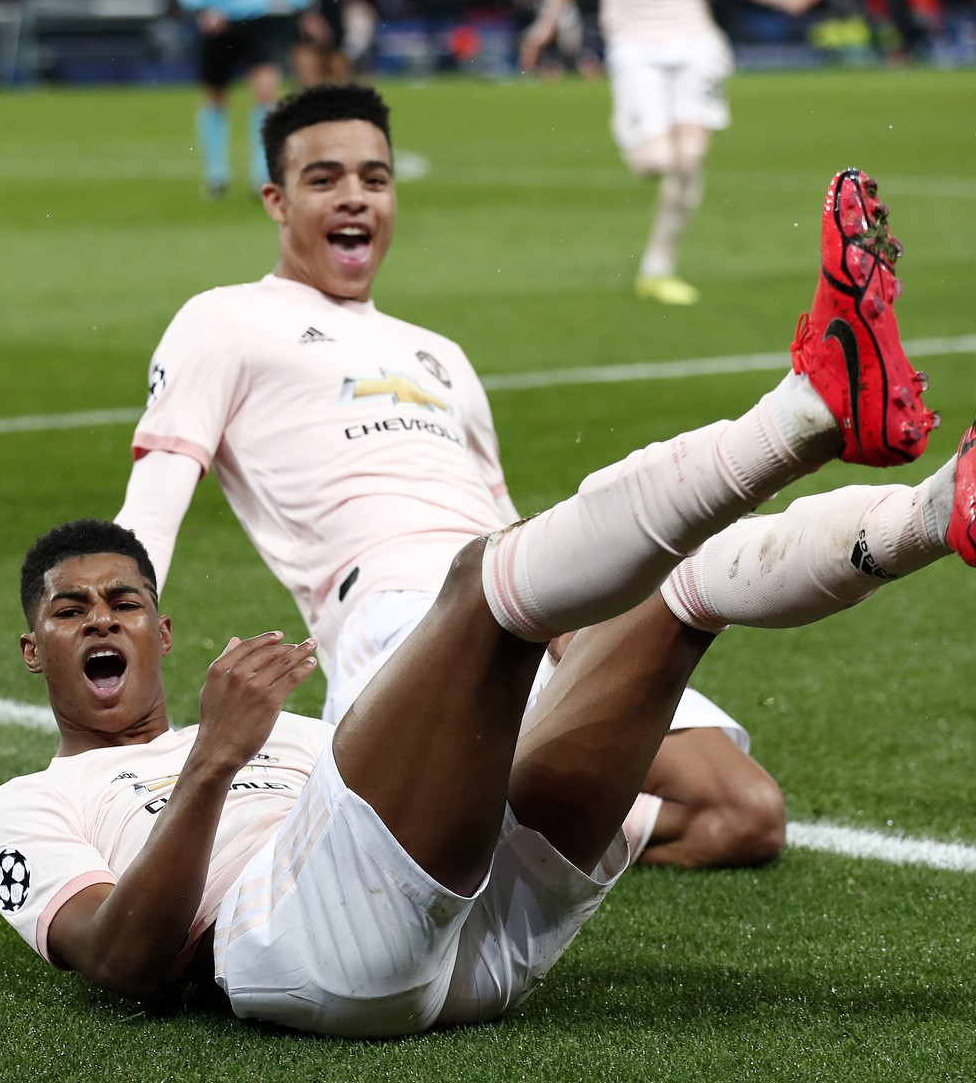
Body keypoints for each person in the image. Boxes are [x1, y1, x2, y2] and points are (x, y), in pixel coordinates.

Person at [0, 264, 976, 1033]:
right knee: (488, 586)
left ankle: (942, 508)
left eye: (123, 600)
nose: (103, 621)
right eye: (71, 612)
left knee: (675, 599)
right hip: (305, 953)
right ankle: (809, 411)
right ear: (33, 652)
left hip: (474, 935)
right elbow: (121, 964)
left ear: (162, 626)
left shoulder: (308, 726)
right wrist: (212, 764)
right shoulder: (24, 806)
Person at [115, 82, 800, 871]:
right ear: (275, 199)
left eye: (375, 178)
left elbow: (511, 525)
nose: (356, 199)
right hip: (402, 617)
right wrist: (129, 663)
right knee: (459, 838)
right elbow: (155, 505)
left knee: (745, 813)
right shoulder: (224, 318)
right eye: (325, 178)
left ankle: (498, 818)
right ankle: (472, 809)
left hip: (525, 599)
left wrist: (581, 632)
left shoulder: (440, 354)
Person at [519, 0, 827, 306]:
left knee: (690, 160)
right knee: (654, 162)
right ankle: (636, 132)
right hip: (633, 45)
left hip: (697, 42)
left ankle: (657, 268)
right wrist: (546, 23)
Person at [176, 0, 329, 196]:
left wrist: (303, 9)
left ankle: (262, 173)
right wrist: (202, 10)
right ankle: (216, 173)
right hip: (218, 22)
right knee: (216, 97)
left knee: (266, 90)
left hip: (258, 19)